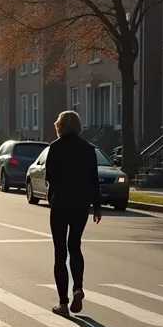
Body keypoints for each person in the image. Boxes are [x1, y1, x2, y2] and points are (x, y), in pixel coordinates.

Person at [44, 110, 102, 316]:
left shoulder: (55, 148)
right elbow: (93, 178)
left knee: (60, 253)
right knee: (75, 246)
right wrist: (97, 206)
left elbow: (49, 176)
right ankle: (78, 287)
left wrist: (51, 197)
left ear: (59, 126)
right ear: (79, 126)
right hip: (80, 204)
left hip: (60, 203)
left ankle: (63, 303)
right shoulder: (88, 149)